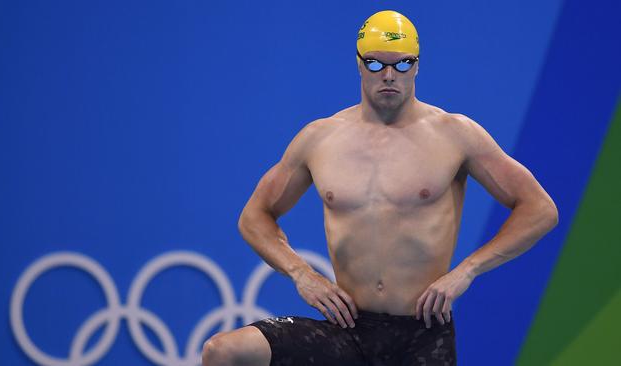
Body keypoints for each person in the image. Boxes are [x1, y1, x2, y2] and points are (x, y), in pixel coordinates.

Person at [202, 9, 558, 366]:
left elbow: (539, 209)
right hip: (347, 330)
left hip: (424, 336)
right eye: (375, 64)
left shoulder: (455, 135)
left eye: (402, 65)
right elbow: (254, 217)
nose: (389, 76)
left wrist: (467, 270)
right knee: (223, 352)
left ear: (417, 66)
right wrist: (301, 273)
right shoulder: (319, 139)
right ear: (358, 64)